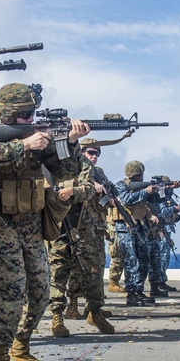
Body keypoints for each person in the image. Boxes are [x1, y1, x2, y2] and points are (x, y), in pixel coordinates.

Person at [0, 83, 88, 361]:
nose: (30, 119)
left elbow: (63, 173)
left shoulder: (36, 138)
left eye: (32, 114)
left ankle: (21, 350)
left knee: (40, 290)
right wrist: (25, 144)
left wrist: (69, 142)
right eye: (25, 115)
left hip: (31, 225)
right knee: (8, 292)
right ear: (8, 114)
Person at [46, 138, 114, 335]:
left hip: (90, 231)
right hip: (61, 227)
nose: (92, 156)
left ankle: (95, 311)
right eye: (89, 152)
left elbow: (92, 192)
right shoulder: (57, 165)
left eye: (96, 153)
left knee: (94, 272)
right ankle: (57, 316)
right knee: (58, 271)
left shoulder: (96, 173)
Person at [111, 161, 158, 306]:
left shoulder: (143, 187)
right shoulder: (120, 185)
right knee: (131, 260)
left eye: (140, 175)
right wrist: (145, 192)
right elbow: (125, 200)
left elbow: (153, 202)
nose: (139, 178)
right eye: (137, 176)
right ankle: (131, 293)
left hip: (140, 226)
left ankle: (139, 290)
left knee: (144, 259)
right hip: (125, 227)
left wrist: (159, 191)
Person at [147, 176, 180, 299]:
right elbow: (160, 212)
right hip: (159, 228)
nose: (169, 188)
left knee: (164, 257)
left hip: (166, 227)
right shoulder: (157, 196)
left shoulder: (166, 197)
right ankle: (158, 283)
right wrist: (175, 208)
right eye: (167, 186)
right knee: (159, 257)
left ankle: (161, 281)